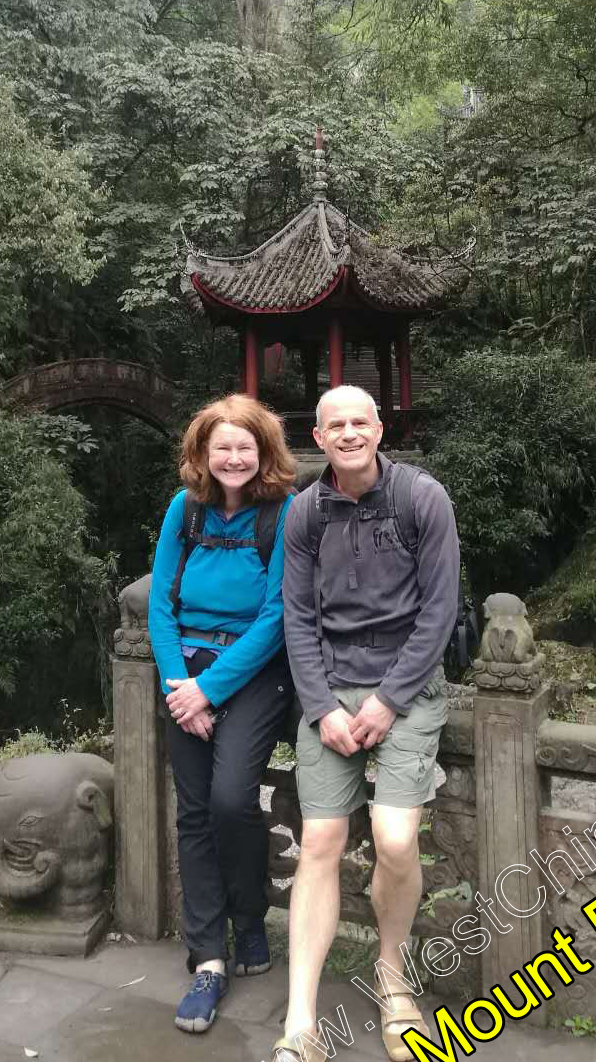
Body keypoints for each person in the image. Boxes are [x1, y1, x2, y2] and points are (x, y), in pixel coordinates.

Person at [273, 386, 460, 1062]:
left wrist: (386, 702)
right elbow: (297, 616)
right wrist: (321, 705)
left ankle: (393, 979)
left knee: (394, 836)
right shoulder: (305, 513)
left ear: (380, 430)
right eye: (336, 425)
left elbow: (440, 611)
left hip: (406, 689)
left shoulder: (421, 499)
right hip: (330, 689)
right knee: (319, 840)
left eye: (361, 422)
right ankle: (301, 1020)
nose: (349, 433)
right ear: (318, 438)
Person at [147, 394, 297, 1035]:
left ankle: (249, 919)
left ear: (263, 453)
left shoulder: (282, 514)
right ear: (201, 455)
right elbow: (159, 602)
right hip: (186, 672)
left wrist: (210, 690)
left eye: (245, 446)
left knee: (234, 799)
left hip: (255, 674)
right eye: (221, 447)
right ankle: (209, 957)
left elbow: (279, 613)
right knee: (195, 812)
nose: (233, 457)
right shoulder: (185, 510)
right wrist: (181, 687)